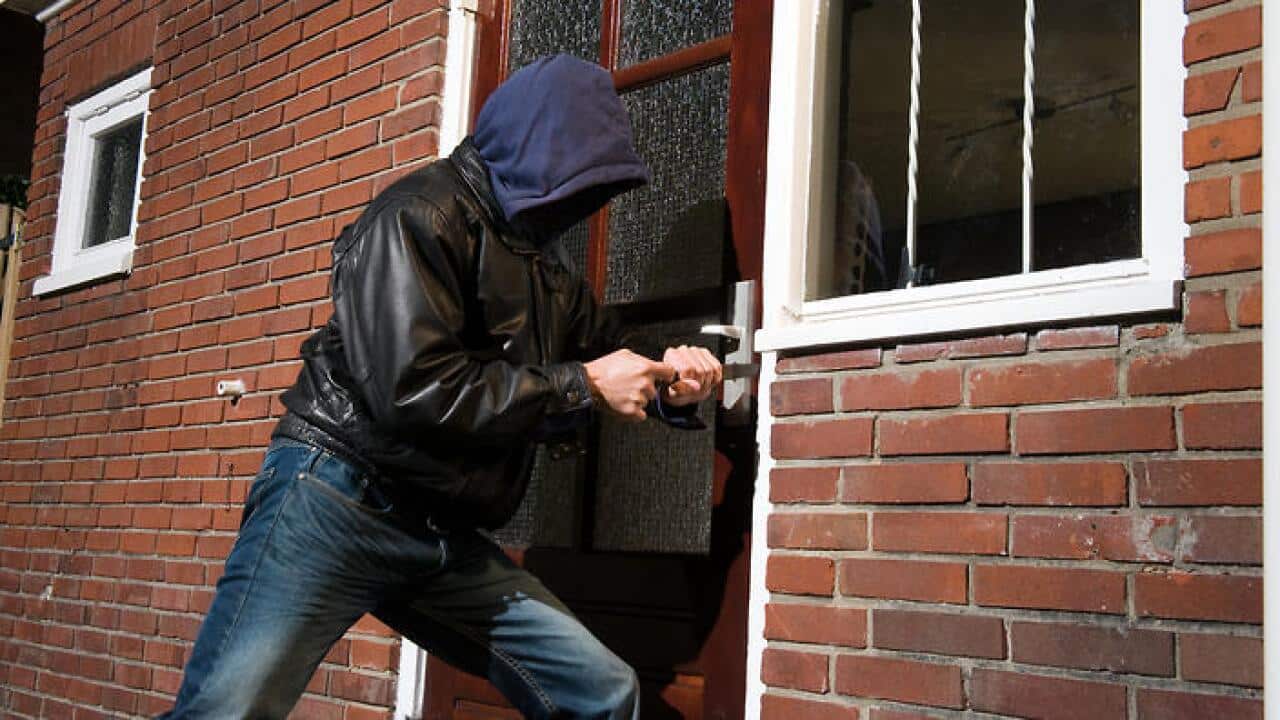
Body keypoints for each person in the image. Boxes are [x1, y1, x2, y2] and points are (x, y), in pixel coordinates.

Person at [158, 55, 722, 720]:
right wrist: (584, 385)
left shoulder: (546, 269)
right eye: (575, 183)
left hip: (441, 531)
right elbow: (414, 391)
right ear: (533, 152)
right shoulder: (417, 216)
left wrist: (671, 378)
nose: (580, 207)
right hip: (335, 497)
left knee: (602, 690)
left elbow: (609, 352)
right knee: (225, 713)